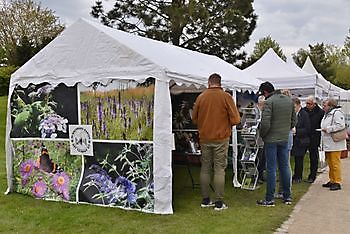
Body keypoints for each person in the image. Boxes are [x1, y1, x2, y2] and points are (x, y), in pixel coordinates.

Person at [192, 73, 241, 211]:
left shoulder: (201, 97)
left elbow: (194, 118)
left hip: (205, 138)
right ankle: (219, 202)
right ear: (220, 83)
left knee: (205, 168)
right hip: (221, 138)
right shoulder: (226, 97)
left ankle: (205, 199)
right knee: (219, 169)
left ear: (209, 83)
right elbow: (236, 120)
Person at [256, 81, 296, 207]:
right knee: (285, 167)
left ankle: (269, 198)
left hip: (271, 140)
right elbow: (294, 121)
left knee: (271, 169)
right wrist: (285, 130)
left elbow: (265, 123)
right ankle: (287, 196)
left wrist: (263, 135)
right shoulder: (289, 101)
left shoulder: (269, 102)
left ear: (266, 92)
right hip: (284, 138)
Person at [320, 98, 347, 191]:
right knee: (330, 163)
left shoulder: (337, 113)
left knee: (335, 163)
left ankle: (337, 181)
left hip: (335, 143)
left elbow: (341, 125)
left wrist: (328, 129)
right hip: (328, 142)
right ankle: (332, 180)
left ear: (331, 106)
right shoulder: (327, 114)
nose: (323, 107)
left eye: (325, 105)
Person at [303, 96, 324, 183]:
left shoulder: (320, 112)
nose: (307, 105)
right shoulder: (304, 111)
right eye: (306, 103)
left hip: (314, 137)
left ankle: (312, 175)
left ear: (314, 104)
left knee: (313, 157)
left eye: (309, 104)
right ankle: (297, 175)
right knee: (299, 156)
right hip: (304, 136)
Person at [291, 97, 311, 183]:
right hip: (295, 140)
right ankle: (295, 175)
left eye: (294, 106)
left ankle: (298, 176)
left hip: (302, 140)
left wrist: (296, 131)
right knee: (296, 158)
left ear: (299, 105)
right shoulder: (294, 114)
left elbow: (307, 129)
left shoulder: (304, 114)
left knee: (299, 159)